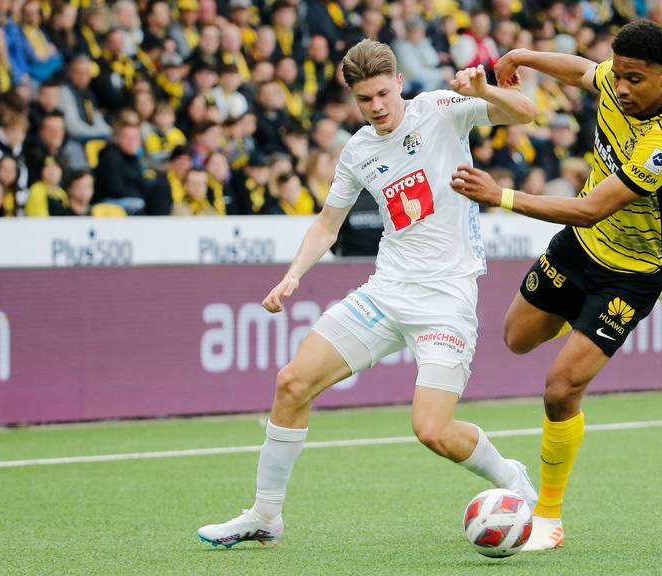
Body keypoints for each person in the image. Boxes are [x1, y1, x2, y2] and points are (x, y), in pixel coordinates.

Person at [197, 39, 538, 548]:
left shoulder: (441, 109)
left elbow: (527, 113)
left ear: (399, 83)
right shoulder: (358, 149)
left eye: (382, 93)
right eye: (364, 99)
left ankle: (513, 480)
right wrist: (293, 274)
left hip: (446, 298)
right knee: (292, 383)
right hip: (386, 291)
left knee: (432, 430)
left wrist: (485, 88)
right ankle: (265, 515)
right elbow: (327, 224)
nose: (376, 106)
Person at [450, 20, 662, 551]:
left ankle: (549, 517)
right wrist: (522, 54)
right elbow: (587, 70)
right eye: (621, 77)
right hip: (580, 248)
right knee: (516, 337)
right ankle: (582, 315)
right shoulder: (616, 80)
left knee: (560, 388)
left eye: (636, 79)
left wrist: (502, 197)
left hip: (633, 272)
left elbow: (589, 209)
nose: (622, 88)